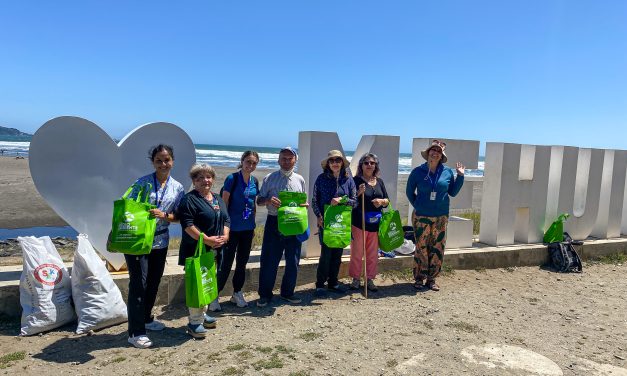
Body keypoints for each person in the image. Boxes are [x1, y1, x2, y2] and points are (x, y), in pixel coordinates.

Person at [125, 145, 185, 349]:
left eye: (167, 159)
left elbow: (179, 216)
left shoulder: (177, 188)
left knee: (153, 282)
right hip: (138, 241)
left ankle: (147, 319)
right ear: (153, 162)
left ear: (173, 161)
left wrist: (165, 215)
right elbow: (127, 210)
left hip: (161, 241)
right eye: (159, 160)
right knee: (138, 284)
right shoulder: (141, 184)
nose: (163, 164)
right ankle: (135, 332)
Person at [177, 163, 230, 338]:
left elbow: (226, 220)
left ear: (213, 179)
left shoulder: (216, 198)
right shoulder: (189, 199)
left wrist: (225, 236)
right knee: (196, 284)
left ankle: (203, 313)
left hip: (215, 250)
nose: (205, 181)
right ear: (194, 181)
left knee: (207, 283)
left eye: (208, 177)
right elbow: (188, 225)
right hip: (196, 249)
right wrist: (206, 239)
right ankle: (194, 322)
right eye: (200, 178)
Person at [406, 140, 464, 292]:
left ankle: (432, 279)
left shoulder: (447, 172)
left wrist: (460, 176)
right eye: (433, 150)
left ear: (441, 155)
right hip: (421, 216)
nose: (435, 153)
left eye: (439, 151)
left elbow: (453, 192)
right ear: (428, 153)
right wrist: (419, 206)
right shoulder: (417, 172)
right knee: (421, 247)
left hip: (440, 217)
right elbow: (409, 192)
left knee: (437, 247)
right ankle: (419, 277)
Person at [256, 147, 308, 307]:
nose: (286, 161)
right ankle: (265, 295)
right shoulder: (269, 178)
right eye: (283, 158)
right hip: (274, 222)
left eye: (290, 158)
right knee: (270, 260)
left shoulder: (300, 179)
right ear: (278, 160)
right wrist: (268, 201)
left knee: (293, 260)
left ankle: (287, 293)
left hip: (294, 222)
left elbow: (302, 202)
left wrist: (303, 206)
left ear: (295, 160)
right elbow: (258, 200)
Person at [210, 151, 260, 311]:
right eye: (248, 162)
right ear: (242, 161)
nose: (250, 165)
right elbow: (223, 205)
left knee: (242, 263)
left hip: (247, 228)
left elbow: (253, 204)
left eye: (254, 163)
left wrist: (253, 226)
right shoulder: (232, 178)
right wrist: (224, 228)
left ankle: (237, 293)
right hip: (231, 229)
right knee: (225, 263)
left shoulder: (255, 181)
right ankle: (214, 297)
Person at [312, 150, 357, 296]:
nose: (335, 163)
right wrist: (318, 216)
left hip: (342, 223)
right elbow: (314, 200)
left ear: (342, 163)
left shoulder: (349, 180)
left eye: (338, 160)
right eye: (332, 161)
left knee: (337, 254)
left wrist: (342, 200)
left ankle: (333, 283)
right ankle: (320, 285)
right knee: (325, 255)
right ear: (328, 164)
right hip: (325, 222)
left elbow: (354, 202)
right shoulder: (321, 178)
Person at [350, 153, 390, 292]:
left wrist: (381, 202)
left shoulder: (379, 182)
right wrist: (359, 193)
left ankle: (370, 279)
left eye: (372, 163)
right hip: (359, 223)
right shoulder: (355, 181)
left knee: (373, 254)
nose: (369, 165)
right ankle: (355, 278)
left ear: (375, 166)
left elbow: (387, 200)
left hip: (375, 224)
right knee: (357, 252)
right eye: (366, 163)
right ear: (361, 165)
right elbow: (350, 201)